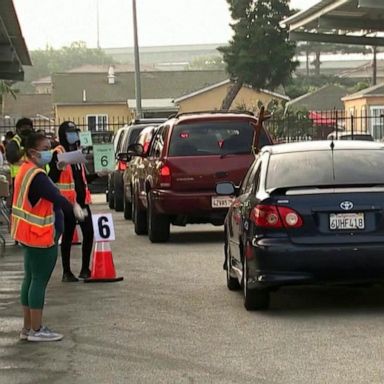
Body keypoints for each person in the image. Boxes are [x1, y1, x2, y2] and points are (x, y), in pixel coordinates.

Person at [11, 132, 84, 342]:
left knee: (30, 279)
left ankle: (28, 327)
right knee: (39, 281)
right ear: (33, 152)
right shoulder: (37, 175)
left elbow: (46, 188)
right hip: (41, 235)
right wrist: (74, 208)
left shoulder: (28, 170)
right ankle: (36, 329)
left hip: (28, 234)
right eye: (45, 148)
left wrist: (57, 172)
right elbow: (55, 196)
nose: (50, 152)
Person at [49, 121, 97, 282]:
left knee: (89, 232)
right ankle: (66, 271)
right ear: (63, 135)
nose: (73, 136)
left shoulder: (77, 153)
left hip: (81, 202)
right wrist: (59, 167)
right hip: (66, 202)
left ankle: (85, 269)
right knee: (68, 235)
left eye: (75, 132)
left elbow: (83, 178)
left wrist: (99, 174)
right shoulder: (58, 153)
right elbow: (52, 179)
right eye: (70, 133)